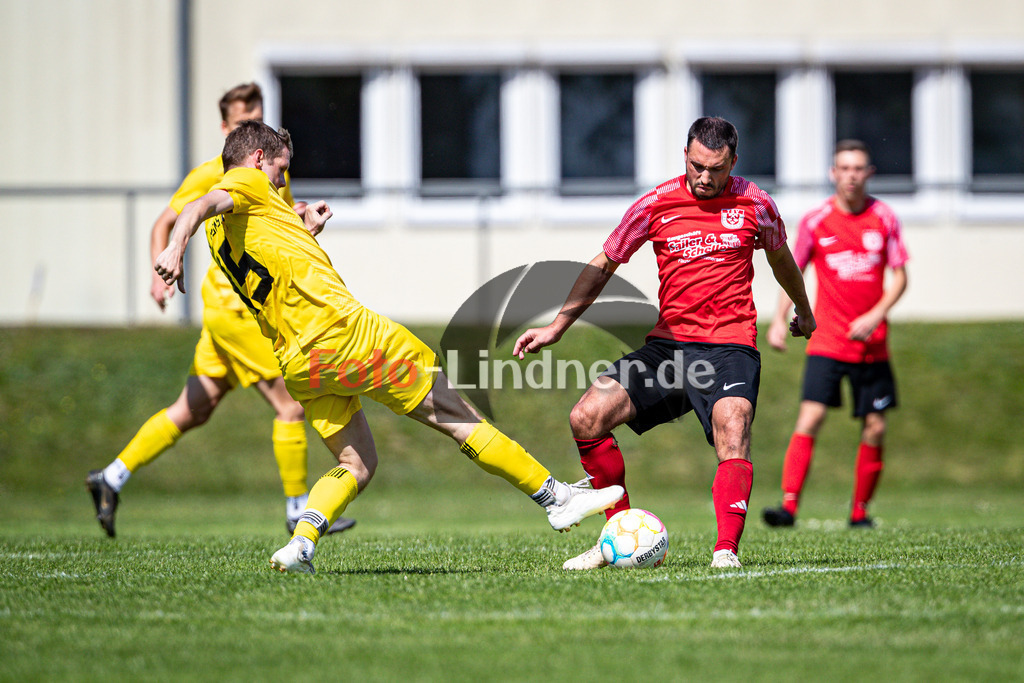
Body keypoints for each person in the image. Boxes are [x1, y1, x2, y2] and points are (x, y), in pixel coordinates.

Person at [153, 120, 624, 574]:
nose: (281, 182)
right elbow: (202, 204)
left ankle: (301, 542)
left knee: (356, 463)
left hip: (300, 361)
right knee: (458, 415)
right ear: (257, 159)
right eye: (280, 169)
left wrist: (302, 228)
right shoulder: (245, 184)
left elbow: (264, 247)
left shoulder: (228, 232)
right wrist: (175, 246)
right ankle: (556, 499)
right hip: (345, 334)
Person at [514, 116, 815, 570]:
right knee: (586, 417)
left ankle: (725, 553)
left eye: (716, 168)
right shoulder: (655, 205)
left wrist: (804, 310)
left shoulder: (757, 204)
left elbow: (781, 260)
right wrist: (558, 325)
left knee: (733, 428)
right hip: (669, 349)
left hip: (729, 347)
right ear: (686, 157)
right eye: (696, 166)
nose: (705, 177)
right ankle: (616, 535)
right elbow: (604, 264)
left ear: (733, 160)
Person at [86, 83, 354, 538]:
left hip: (236, 310)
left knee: (195, 408)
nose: (252, 125)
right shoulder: (213, 173)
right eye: (241, 119)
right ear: (226, 129)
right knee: (291, 405)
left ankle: (110, 477)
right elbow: (171, 219)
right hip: (236, 310)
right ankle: (296, 511)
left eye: (258, 116)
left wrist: (306, 223)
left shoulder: (271, 171)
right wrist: (161, 268)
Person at [762, 139, 909, 529]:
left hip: (871, 345)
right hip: (827, 340)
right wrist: (779, 320)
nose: (851, 175)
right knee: (810, 417)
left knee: (876, 425)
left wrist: (876, 314)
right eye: (844, 168)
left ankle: (860, 513)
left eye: (858, 168)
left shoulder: (885, 218)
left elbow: (900, 277)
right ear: (833, 173)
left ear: (869, 174)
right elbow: (789, 272)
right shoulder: (816, 220)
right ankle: (788, 507)